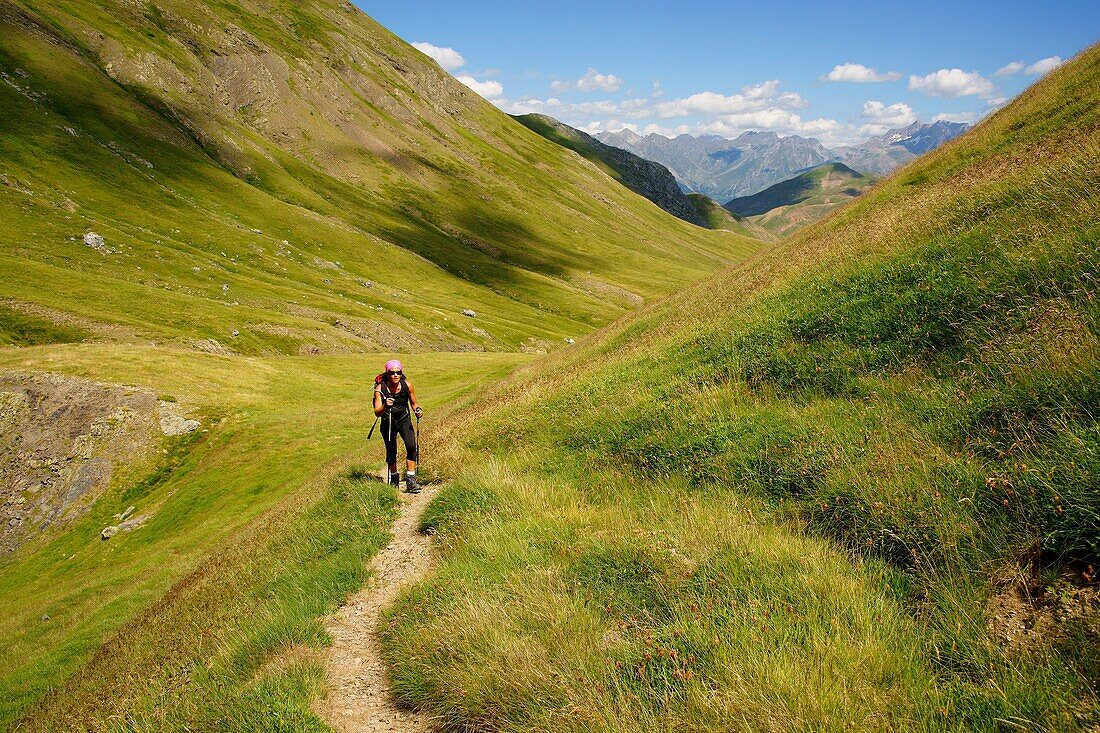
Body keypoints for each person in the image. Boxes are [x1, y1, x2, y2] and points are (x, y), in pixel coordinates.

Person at [374, 359, 423, 492]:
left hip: (403, 419)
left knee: (411, 446)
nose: (395, 375)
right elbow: (377, 412)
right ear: (387, 374)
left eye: (398, 372)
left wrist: (418, 410)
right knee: (391, 451)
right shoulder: (380, 389)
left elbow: (414, 403)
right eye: (392, 373)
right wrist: (385, 406)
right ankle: (394, 478)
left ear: (401, 373)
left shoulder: (407, 386)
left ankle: (411, 480)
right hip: (388, 421)